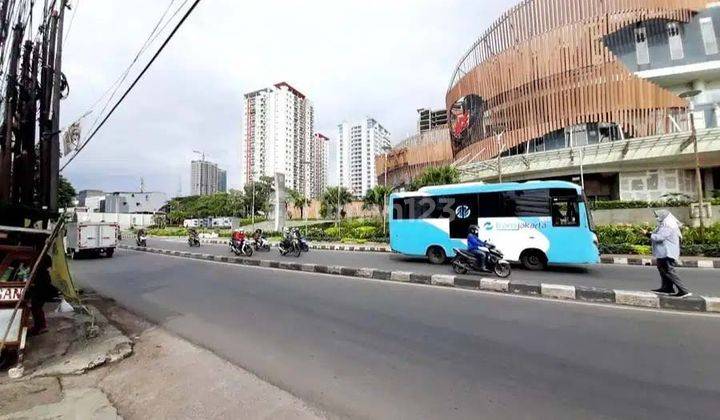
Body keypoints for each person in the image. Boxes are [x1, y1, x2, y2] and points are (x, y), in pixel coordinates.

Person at [649, 210, 692, 298]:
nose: (657, 218)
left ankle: (684, 291)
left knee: (669, 271)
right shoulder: (663, 225)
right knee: (662, 268)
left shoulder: (669, 226)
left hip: (668, 252)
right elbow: (655, 234)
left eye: (658, 216)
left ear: (664, 217)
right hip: (663, 252)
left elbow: (659, 238)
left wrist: (647, 234)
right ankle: (667, 288)